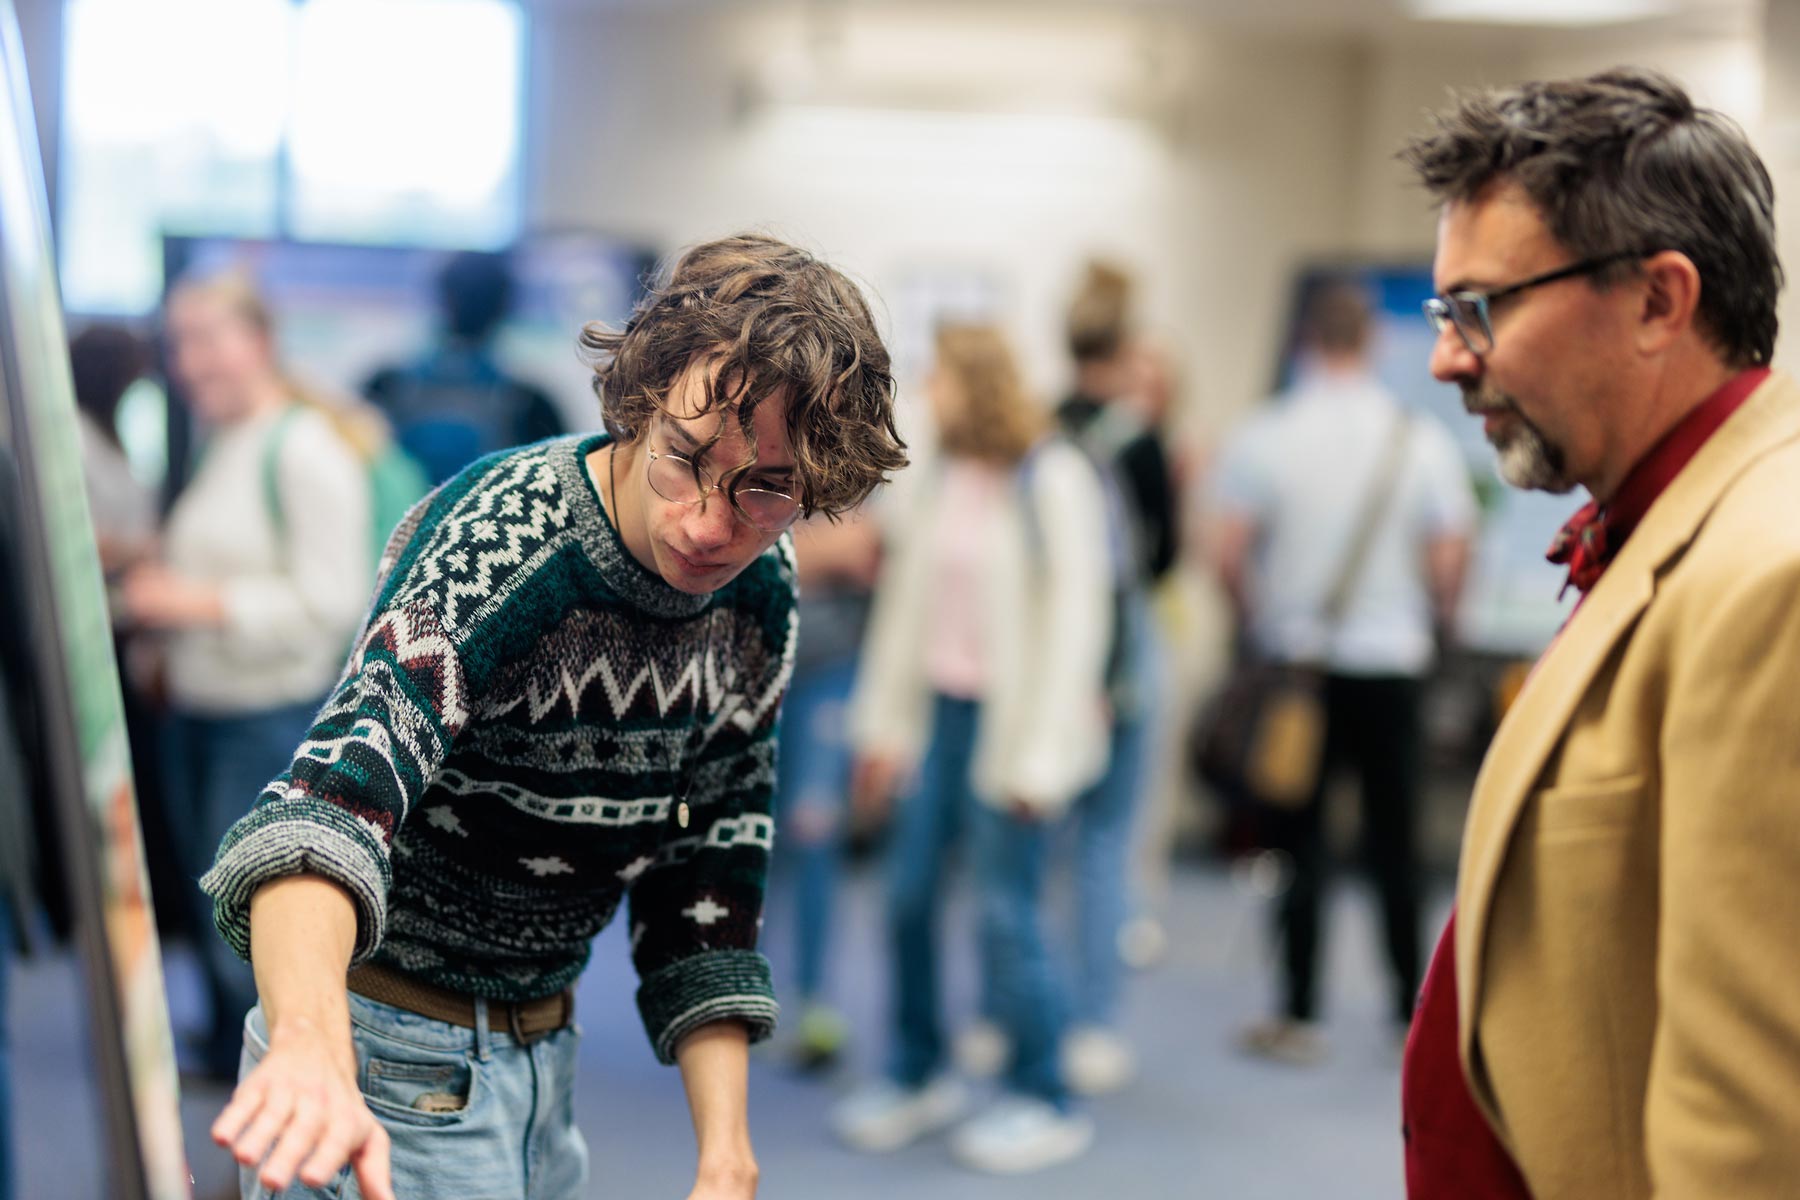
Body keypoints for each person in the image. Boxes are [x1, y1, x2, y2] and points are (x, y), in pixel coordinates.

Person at [199, 234, 907, 1200]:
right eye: (687, 460)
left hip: (542, 1060)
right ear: (640, 403)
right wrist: (313, 1051)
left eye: (766, 489)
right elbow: (319, 819)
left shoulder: (758, 592)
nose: (709, 524)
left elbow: (707, 868)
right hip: (381, 1058)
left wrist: (726, 1153)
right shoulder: (504, 540)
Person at [1397, 69, 1800, 1197]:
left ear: (1660, 302)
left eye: (1480, 308)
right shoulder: (1672, 523)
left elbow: (1755, 1121)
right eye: (1443, 314)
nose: (1446, 358)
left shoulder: (1774, 576)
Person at [833, 323, 1111, 1173]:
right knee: (908, 900)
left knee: (1006, 916)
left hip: (1014, 728)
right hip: (936, 723)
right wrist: (879, 731)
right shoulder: (937, 477)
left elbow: (1077, 624)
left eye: (941, 377)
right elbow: (904, 617)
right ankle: (919, 1071)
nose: (930, 391)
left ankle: (1044, 1094)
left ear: (979, 382)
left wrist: (1041, 758)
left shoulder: (1052, 477)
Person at [118, 271, 376, 1085]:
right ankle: (244, 1064)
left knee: (257, 917)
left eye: (207, 339)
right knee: (214, 901)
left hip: (268, 720)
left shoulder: (304, 447)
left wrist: (194, 603)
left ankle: (280, 1083)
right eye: (179, 343)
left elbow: (331, 603)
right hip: (201, 710)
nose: (190, 362)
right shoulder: (228, 440)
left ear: (258, 341)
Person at [1209, 280, 1474, 1064]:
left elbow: (1225, 552)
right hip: (1391, 666)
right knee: (1397, 842)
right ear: (1369, 342)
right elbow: (1450, 551)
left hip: (1301, 674)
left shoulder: (1268, 433)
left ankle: (1299, 1012)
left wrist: (1260, 620)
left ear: (1303, 342)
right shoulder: (1414, 438)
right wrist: (1439, 622)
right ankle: (1405, 1010)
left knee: (1300, 838)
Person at [1048, 262, 1180, 1094]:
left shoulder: (1040, 428)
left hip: (1040, 664)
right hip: (1118, 664)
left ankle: (1009, 1013)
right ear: (1125, 344)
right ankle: (1092, 1027)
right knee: (1103, 845)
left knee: (1027, 854)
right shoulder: (1139, 440)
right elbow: (1165, 557)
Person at [770, 510, 881, 1072]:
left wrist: (783, 550)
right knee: (749, 838)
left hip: (832, 674)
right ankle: (746, 999)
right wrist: (814, 554)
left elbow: (867, 552)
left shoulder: (857, 463)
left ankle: (814, 1001)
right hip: (759, 666)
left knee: (814, 833)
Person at [363, 250, 566, 486]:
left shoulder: (384, 387)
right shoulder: (530, 403)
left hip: (402, 522)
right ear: (504, 307)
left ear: (441, 299)